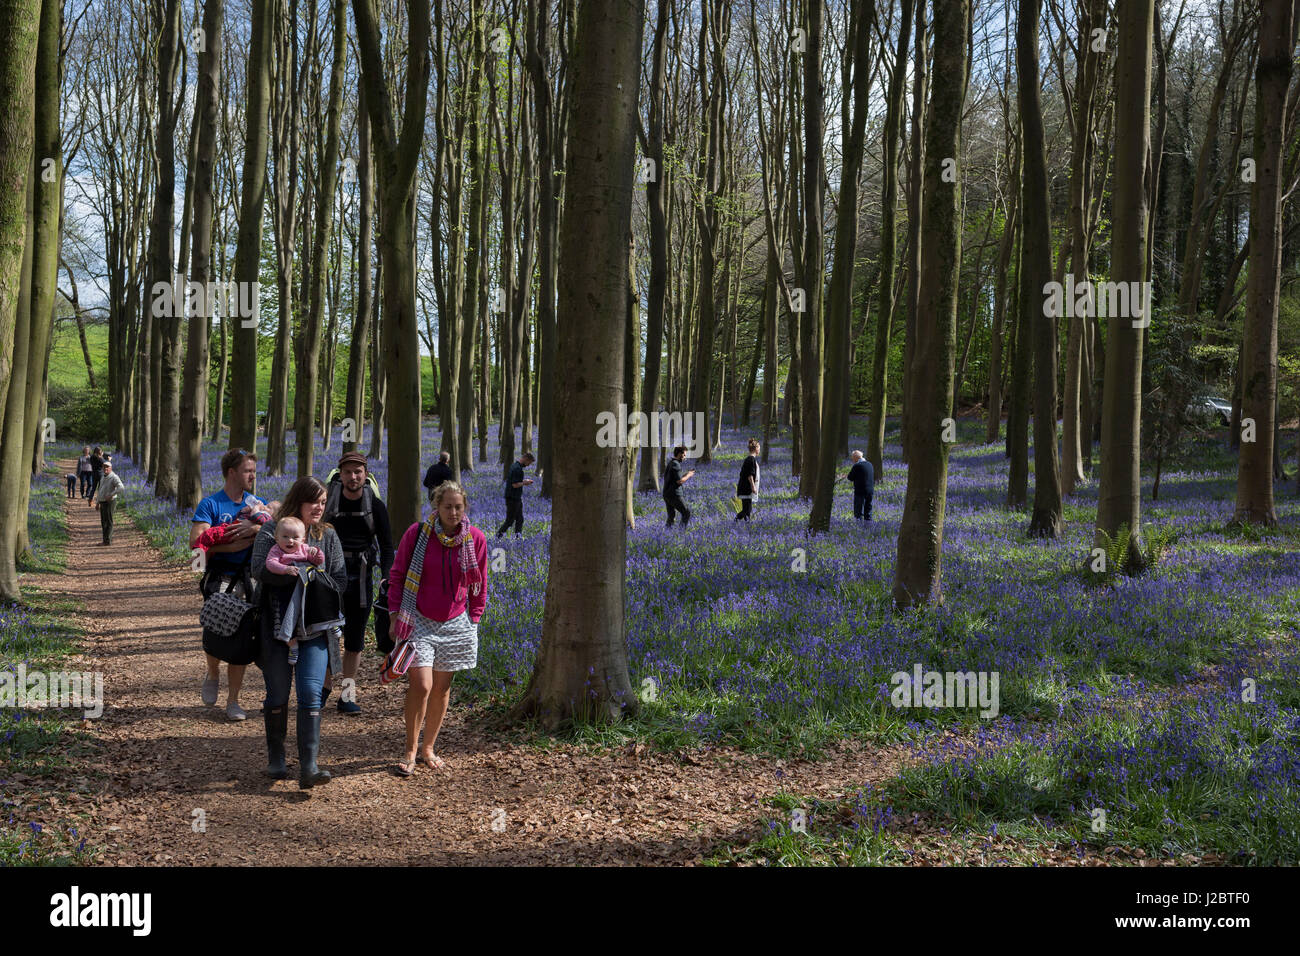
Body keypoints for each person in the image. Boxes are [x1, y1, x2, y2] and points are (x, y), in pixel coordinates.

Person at [251, 477, 348, 788]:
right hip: (277, 626)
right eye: (313, 502)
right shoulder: (272, 530)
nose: (319, 507)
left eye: (323, 502)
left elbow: (339, 579)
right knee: (278, 694)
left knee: (310, 694)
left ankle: (309, 766)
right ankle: (276, 760)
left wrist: (315, 585)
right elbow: (259, 570)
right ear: (299, 501)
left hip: (315, 629)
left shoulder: (328, 536)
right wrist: (298, 576)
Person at [389, 481, 488, 775]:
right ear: (436, 506)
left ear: (465, 507)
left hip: (457, 621)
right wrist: (395, 614)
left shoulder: (476, 539)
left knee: (442, 688)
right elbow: (397, 574)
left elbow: (479, 583)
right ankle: (409, 748)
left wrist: (475, 618)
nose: (454, 512)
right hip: (417, 617)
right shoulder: (417, 534)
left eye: (459, 506)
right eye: (448, 506)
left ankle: (428, 747)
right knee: (422, 684)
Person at [190, 448, 263, 721]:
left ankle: (233, 700)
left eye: (254, 471)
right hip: (221, 578)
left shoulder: (257, 503)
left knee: (241, 637)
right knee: (216, 632)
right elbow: (196, 545)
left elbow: (275, 530)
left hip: (252, 579)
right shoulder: (210, 505)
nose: (253, 476)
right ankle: (212, 672)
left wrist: (256, 530)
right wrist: (233, 545)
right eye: (248, 470)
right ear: (232, 472)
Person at [321, 451, 394, 715]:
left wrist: (387, 575)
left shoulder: (375, 505)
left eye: (358, 472)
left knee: (355, 641)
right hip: (329, 577)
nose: (353, 477)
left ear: (365, 474)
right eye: (349, 472)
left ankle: (347, 696)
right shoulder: (328, 502)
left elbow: (387, 546)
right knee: (325, 633)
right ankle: (322, 692)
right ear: (341, 475)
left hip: (362, 578)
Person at [263, 516, 326, 666]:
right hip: (287, 592)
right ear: (277, 538)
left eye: (295, 537)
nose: (290, 541)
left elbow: (320, 561)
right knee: (286, 618)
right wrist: (285, 569)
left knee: (322, 598)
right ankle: (293, 645)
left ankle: (331, 622)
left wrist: (316, 552)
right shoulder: (276, 550)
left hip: (307, 592)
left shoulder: (304, 549)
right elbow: (270, 564)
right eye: (285, 537)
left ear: (303, 539)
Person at [496, 451, 535, 537]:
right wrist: (525, 483)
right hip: (513, 498)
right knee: (510, 521)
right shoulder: (517, 469)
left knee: (520, 519)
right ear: (525, 459)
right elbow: (514, 485)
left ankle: (518, 539)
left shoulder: (515, 466)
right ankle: (498, 536)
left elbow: (515, 482)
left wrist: (523, 481)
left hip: (515, 498)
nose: (528, 465)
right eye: (529, 462)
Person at [92, 459, 125, 545]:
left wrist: (111, 494)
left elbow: (121, 487)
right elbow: (100, 490)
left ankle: (108, 540)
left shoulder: (114, 477)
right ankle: (105, 540)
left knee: (108, 521)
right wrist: (97, 502)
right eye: (104, 467)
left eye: (107, 467)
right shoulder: (103, 476)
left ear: (111, 468)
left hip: (110, 502)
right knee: (103, 522)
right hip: (102, 501)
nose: (105, 468)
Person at [663, 445, 695, 527]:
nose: (684, 457)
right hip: (674, 494)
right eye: (684, 455)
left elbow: (675, 478)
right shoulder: (676, 464)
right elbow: (679, 481)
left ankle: (667, 533)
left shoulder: (671, 463)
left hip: (667, 494)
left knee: (671, 516)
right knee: (686, 512)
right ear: (679, 454)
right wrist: (689, 475)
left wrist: (686, 474)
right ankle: (681, 533)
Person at [735, 438, 760, 521]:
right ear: (756, 449)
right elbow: (750, 475)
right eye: (759, 448)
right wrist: (753, 487)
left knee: (747, 509)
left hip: (745, 488)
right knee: (747, 510)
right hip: (746, 488)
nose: (759, 450)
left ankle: (746, 525)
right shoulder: (751, 459)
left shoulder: (750, 459)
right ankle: (736, 520)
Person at [845, 450, 874, 522]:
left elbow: (850, 477)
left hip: (860, 491)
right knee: (868, 510)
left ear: (855, 458)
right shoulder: (870, 464)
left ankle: (859, 526)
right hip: (870, 490)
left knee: (858, 511)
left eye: (852, 458)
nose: (852, 460)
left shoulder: (857, 466)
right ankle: (869, 526)